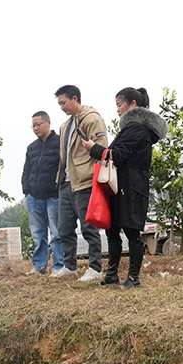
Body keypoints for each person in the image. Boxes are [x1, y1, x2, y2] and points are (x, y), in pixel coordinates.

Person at [82, 87, 167, 288]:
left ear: (133, 104)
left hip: (130, 188)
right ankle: (112, 275)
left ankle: (133, 277)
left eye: (120, 105)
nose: (118, 110)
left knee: (131, 233)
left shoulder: (136, 128)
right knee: (112, 231)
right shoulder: (133, 128)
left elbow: (117, 156)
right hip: (123, 187)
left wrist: (93, 148)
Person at [52, 85, 109, 281]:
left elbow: (102, 150)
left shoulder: (92, 119)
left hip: (84, 181)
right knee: (64, 228)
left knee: (88, 227)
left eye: (64, 102)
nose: (62, 107)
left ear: (75, 98)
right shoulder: (65, 126)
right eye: (59, 104)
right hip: (66, 183)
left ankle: (95, 268)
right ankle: (70, 266)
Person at [21, 111, 63, 274]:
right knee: (38, 233)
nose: (36, 128)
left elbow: (63, 166)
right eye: (33, 125)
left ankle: (59, 264)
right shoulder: (32, 147)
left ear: (48, 123)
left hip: (53, 195)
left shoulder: (59, 142)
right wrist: (27, 190)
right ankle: (39, 265)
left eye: (38, 124)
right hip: (34, 196)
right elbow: (26, 170)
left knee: (56, 232)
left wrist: (58, 187)